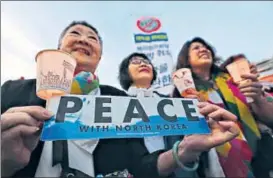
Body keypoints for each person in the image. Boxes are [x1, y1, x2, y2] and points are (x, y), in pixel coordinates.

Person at [118, 52, 240, 177]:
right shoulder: (116, 105)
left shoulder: (175, 102)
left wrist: (198, 114)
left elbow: (196, 145)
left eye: (147, 62)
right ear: (125, 71)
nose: (143, 63)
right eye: (136, 61)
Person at [173, 37, 273, 178]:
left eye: (206, 47)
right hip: (216, 161)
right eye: (196, 48)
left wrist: (256, 97)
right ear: (186, 58)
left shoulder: (235, 79)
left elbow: (270, 117)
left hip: (260, 155)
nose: (203, 49)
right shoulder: (184, 92)